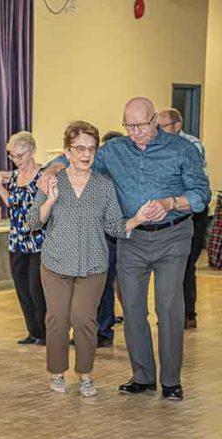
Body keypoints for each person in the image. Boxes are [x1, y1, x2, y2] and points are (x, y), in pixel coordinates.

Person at [42, 97, 210, 400]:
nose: (135, 132)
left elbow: (201, 193)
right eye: (129, 126)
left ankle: (170, 380)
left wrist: (171, 202)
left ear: (154, 120)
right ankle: (143, 375)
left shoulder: (181, 149)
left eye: (141, 125)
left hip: (173, 235)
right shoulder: (116, 150)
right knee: (132, 307)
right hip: (131, 237)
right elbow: (78, 157)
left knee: (169, 307)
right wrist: (51, 170)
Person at [28, 121, 159, 397]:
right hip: (55, 264)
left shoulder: (103, 185)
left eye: (91, 149)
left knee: (84, 319)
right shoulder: (52, 181)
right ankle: (57, 372)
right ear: (67, 151)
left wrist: (136, 219)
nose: (85, 155)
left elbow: (113, 226)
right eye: (79, 149)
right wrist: (49, 201)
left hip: (93, 265)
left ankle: (85, 374)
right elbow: (32, 222)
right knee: (57, 319)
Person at [0, 132, 47, 346]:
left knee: (37, 288)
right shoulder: (14, 177)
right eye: (13, 156)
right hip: (17, 240)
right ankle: (32, 331)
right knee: (22, 287)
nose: (16, 160)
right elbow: (12, 204)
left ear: (32, 151)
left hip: (39, 241)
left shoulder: (43, 176)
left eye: (20, 156)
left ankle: (45, 333)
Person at [159, 108, 210, 329]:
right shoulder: (158, 146)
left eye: (162, 127)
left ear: (177, 126)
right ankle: (170, 314)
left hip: (192, 210)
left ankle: (187, 314)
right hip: (169, 210)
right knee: (168, 266)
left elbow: (188, 179)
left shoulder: (190, 145)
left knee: (186, 263)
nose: (158, 132)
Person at [95, 131, 128, 347]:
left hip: (118, 235)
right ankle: (99, 329)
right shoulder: (97, 175)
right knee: (100, 283)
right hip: (99, 234)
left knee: (110, 283)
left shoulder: (124, 177)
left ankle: (104, 330)